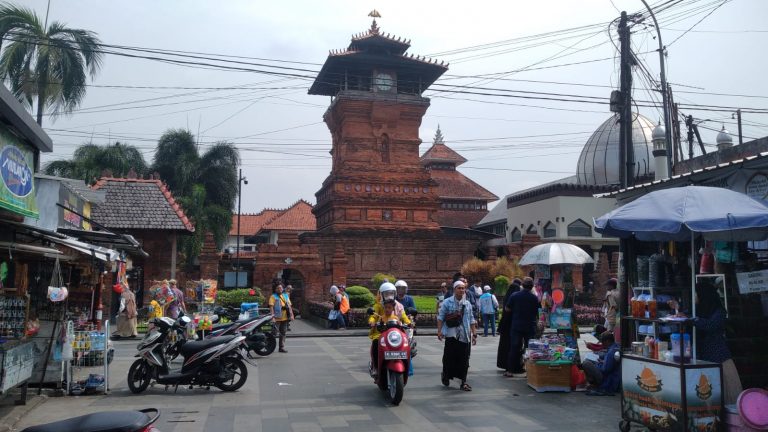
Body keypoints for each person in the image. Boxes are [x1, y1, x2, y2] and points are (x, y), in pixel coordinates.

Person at [691, 281, 743, 404]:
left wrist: (692, 320)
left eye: (696, 294)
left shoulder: (719, 312)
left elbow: (711, 325)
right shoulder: (697, 310)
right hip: (702, 359)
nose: (694, 297)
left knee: (727, 394)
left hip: (719, 358)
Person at [437, 280, 477, 391]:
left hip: (464, 336)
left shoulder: (467, 304)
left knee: (464, 360)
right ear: (454, 290)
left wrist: (474, 334)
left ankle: (463, 382)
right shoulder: (447, 302)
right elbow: (440, 318)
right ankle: (446, 375)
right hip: (451, 335)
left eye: (463, 288)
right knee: (448, 358)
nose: (461, 290)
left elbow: (471, 319)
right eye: (459, 288)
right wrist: (439, 331)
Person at [368, 283, 412, 377]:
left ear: (395, 294)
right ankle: (376, 367)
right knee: (376, 343)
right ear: (382, 294)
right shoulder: (378, 306)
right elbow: (373, 316)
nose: (389, 296)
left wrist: (409, 323)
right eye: (386, 294)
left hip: (396, 333)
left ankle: (405, 365)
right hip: (381, 332)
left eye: (391, 293)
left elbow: (404, 316)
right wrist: (372, 321)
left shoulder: (398, 305)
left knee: (406, 344)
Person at [503, 277, 539, 377]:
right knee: (530, 348)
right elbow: (537, 312)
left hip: (517, 325)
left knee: (514, 347)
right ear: (532, 286)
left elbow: (507, 309)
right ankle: (529, 371)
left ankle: (510, 371)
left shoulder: (515, 295)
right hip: (530, 326)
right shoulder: (534, 297)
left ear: (522, 285)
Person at [582, 331, 621, 396]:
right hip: (611, 374)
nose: (602, 344)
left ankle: (595, 384)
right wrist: (602, 362)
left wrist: (598, 364)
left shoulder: (611, 352)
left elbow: (605, 370)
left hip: (608, 379)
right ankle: (593, 383)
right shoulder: (615, 346)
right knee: (590, 361)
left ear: (608, 341)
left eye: (603, 342)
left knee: (586, 363)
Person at [497, 278, 522, 369]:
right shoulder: (516, 295)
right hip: (513, 324)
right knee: (513, 345)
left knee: (505, 345)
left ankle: (504, 363)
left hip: (505, 324)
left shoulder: (507, 296)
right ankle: (513, 365)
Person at [269, 284, 294, 353]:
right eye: (278, 288)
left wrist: (292, 315)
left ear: (283, 289)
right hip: (276, 318)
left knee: (283, 333)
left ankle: (281, 347)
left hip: (285, 318)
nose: (279, 289)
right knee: (274, 333)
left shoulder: (285, 296)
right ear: (275, 289)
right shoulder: (273, 296)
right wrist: (272, 317)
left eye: (281, 288)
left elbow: (289, 306)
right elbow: (271, 307)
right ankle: (269, 346)